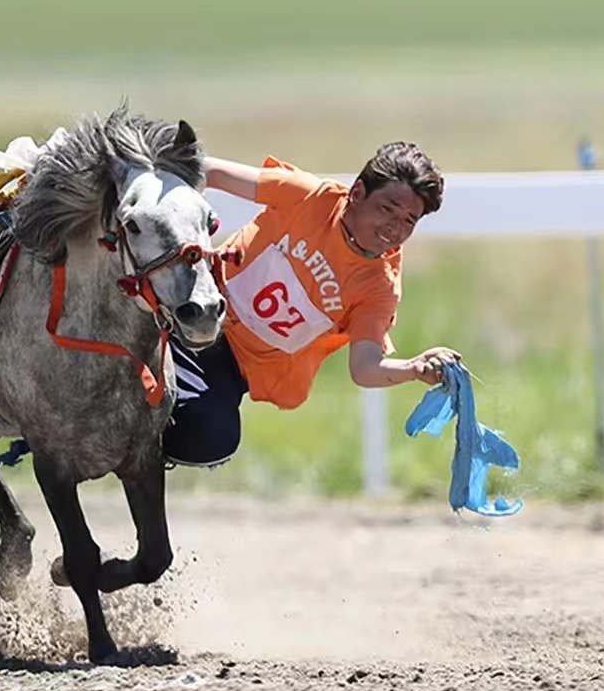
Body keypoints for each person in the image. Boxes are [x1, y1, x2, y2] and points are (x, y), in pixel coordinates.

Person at [164, 141, 460, 467]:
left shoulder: (378, 287)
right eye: (387, 208)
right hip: (188, 309)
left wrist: (413, 369)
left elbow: (365, 367)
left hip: (233, 368)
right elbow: (210, 171)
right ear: (358, 193)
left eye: (409, 220)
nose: (395, 227)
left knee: (213, 441)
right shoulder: (307, 196)